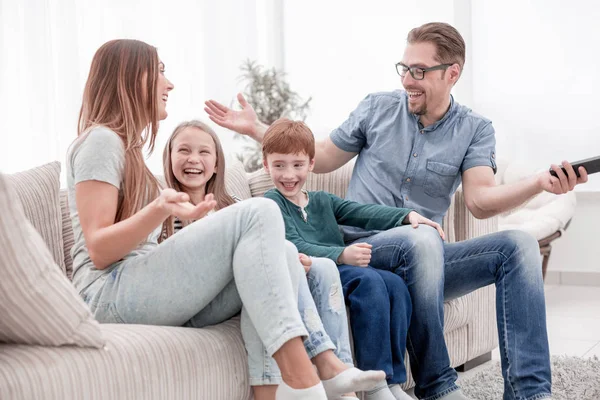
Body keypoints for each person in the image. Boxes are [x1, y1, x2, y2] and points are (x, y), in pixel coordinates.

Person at [205, 22, 588, 400]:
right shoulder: (377, 108)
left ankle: (530, 394)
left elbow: (480, 201)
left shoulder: (474, 129)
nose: (408, 80)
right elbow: (319, 157)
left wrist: (540, 183)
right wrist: (259, 130)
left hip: (428, 260)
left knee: (518, 245)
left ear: (452, 73)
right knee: (420, 238)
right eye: (405, 69)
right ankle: (437, 385)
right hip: (364, 253)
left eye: (420, 71)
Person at [67, 38, 369, 400]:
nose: (169, 83)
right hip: (106, 295)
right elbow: (99, 249)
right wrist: (160, 209)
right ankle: (308, 376)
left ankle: (277, 391)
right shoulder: (102, 140)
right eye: (160, 71)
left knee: (282, 256)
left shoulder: (126, 150)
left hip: (137, 289)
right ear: (132, 78)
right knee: (260, 211)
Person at [161, 119, 385, 400]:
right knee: (285, 258)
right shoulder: (163, 208)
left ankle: (338, 376)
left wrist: (287, 262)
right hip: (197, 299)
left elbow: (263, 250)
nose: (194, 159)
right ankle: (328, 366)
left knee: (301, 260)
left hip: (240, 288)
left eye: (204, 152)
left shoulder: (234, 208)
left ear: (217, 164)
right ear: (169, 157)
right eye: (183, 150)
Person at [260, 118, 447, 400]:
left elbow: (362, 212)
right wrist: (341, 254)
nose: (289, 174)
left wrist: (406, 216)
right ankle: (374, 387)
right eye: (279, 165)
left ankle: (392, 381)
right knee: (370, 282)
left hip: (344, 270)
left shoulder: (322, 200)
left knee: (396, 284)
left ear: (311, 164)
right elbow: (293, 243)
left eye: (297, 165)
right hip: (316, 273)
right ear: (266, 165)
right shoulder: (271, 202)